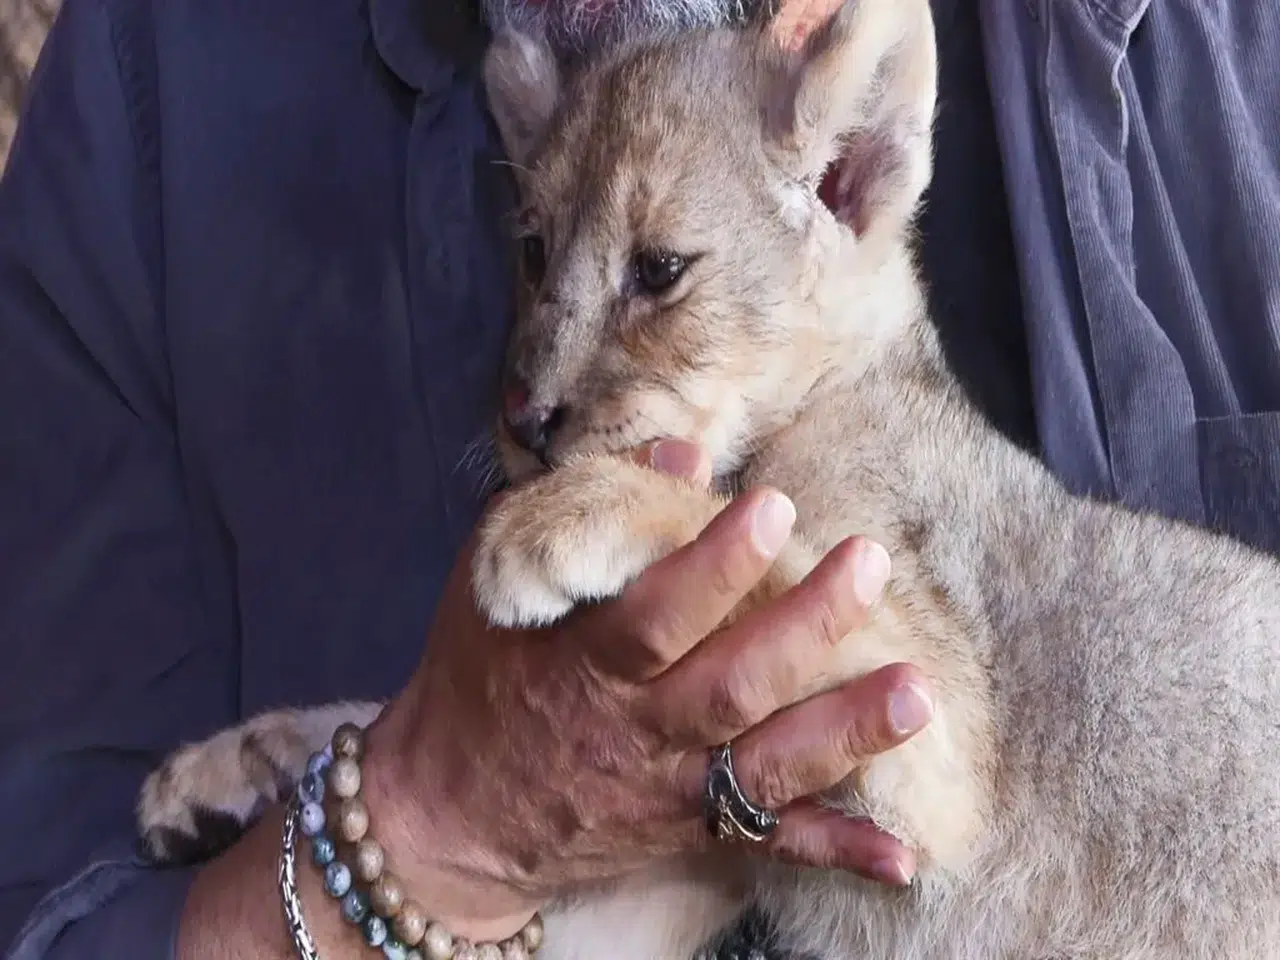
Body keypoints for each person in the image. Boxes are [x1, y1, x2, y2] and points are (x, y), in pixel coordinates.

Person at [1, 0, 1278, 958]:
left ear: (852, 180)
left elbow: (910, 771)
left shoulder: (855, 416)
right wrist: (394, 822)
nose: (536, 394)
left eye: (658, 275)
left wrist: (651, 516)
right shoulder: (156, 87)